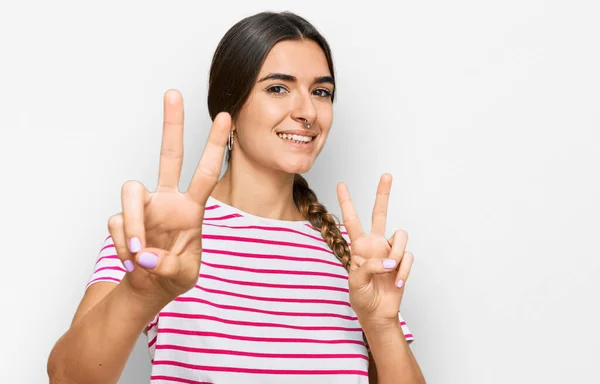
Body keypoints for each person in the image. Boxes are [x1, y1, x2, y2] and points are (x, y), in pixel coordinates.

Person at [47, 11, 425, 384]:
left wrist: (382, 323)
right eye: (278, 88)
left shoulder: (354, 253)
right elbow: (66, 378)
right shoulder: (159, 234)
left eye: (321, 92)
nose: (308, 112)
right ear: (230, 107)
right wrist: (139, 294)